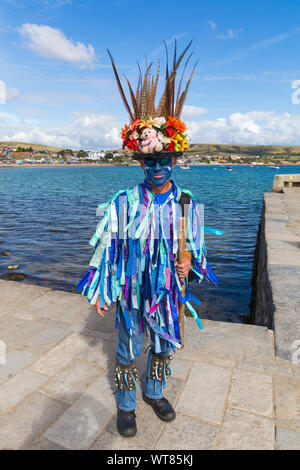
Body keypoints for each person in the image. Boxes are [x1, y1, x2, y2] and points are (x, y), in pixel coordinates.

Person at [77, 41, 221, 438]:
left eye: (163, 160)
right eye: (149, 160)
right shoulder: (122, 202)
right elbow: (106, 249)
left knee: (162, 344)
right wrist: (103, 290)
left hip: (168, 290)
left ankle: (155, 392)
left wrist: (189, 261)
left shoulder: (188, 202)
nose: (157, 167)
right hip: (130, 290)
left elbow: (194, 246)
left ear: (174, 159)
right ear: (140, 160)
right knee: (126, 348)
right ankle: (126, 404)